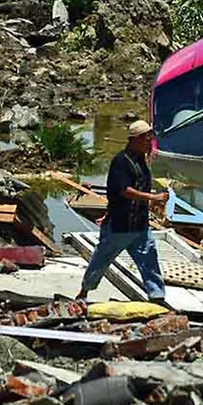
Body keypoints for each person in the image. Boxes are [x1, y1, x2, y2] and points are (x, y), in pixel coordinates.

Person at [76, 120, 168, 303]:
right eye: (146, 139)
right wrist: (153, 198)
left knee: (149, 261)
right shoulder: (121, 161)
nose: (149, 143)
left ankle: (157, 296)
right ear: (136, 139)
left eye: (150, 139)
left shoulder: (142, 159)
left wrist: (153, 203)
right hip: (120, 225)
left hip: (140, 225)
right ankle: (85, 290)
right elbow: (125, 190)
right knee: (102, 259)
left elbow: (141, 184)